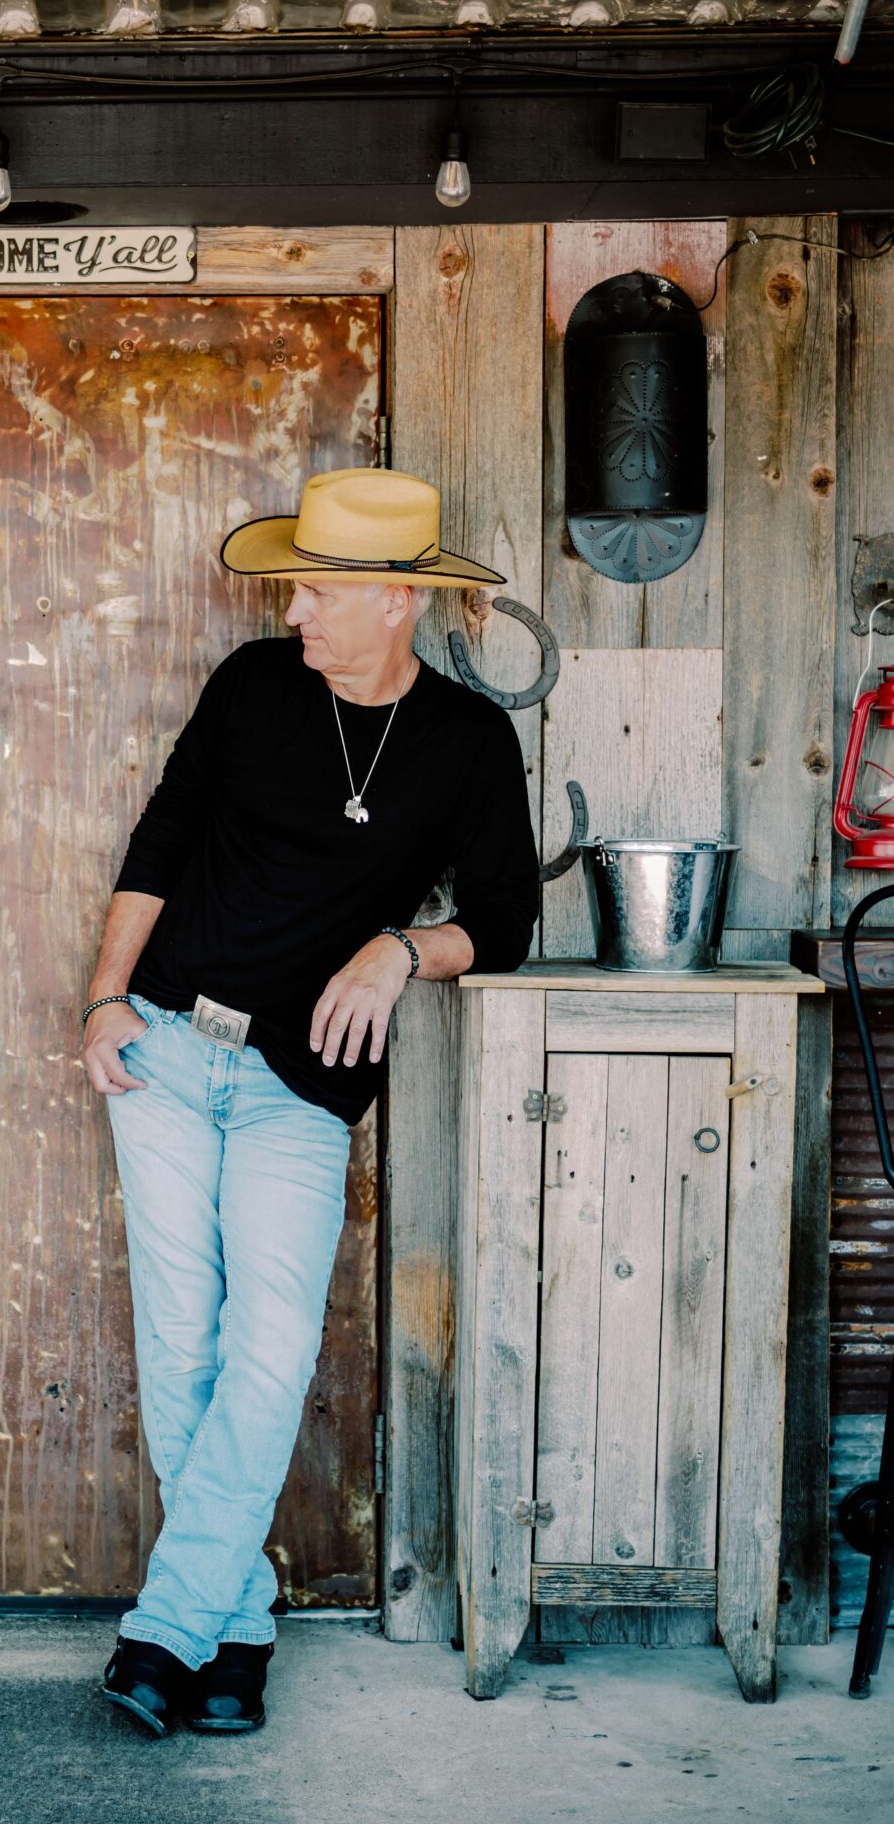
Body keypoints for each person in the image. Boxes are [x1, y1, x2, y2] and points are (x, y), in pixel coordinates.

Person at [82, 468, 541, 1736]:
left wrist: (400, 948)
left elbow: (504, 919)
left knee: (269, 1342)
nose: (297, 612)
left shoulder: (465, 743)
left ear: (397, 601)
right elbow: (163, 838)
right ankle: (231, 1631)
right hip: (168, 1050)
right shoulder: (250, 687)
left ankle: (169, 1627)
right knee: (181, 1344)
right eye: (296, 587)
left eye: (323, 590)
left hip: (302, 1087)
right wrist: (104, 1000)